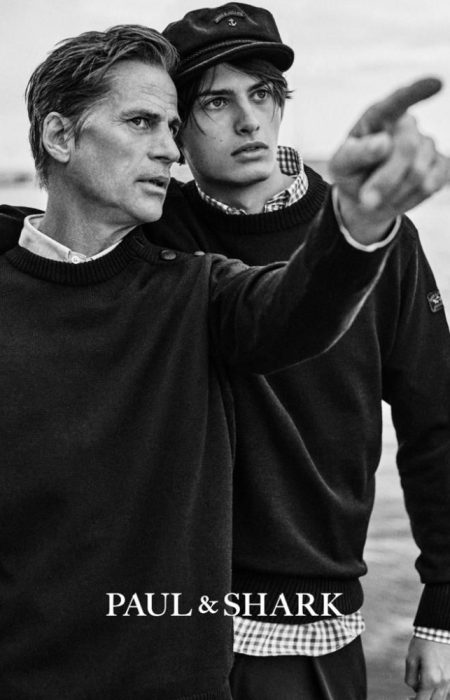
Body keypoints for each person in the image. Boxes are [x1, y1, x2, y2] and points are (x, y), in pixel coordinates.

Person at [0, 23, 420, 700]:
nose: (169, 149)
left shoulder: (196, 288)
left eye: (171, 127)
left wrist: (355, 226)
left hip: (194, 662)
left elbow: (292, 312)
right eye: (143, 122)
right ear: (59, 136)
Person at [163, 4, 449, 699]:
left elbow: (435, 422)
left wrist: (442, 608)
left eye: (262, 94)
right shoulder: (155, 231)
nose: (249, 121)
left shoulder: (376, 233)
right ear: (174, 126)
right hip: (163, 619)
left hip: (309, 622)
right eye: (216, 102)